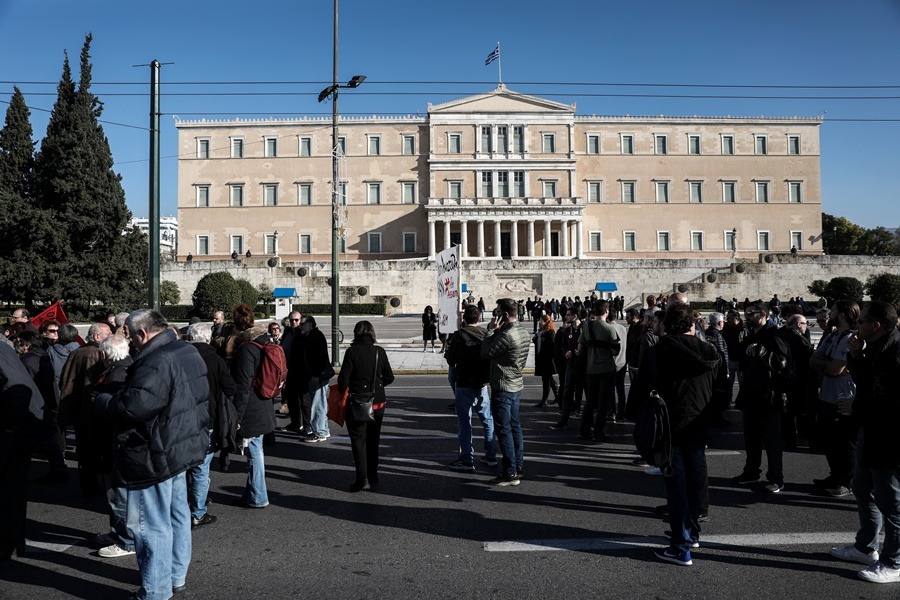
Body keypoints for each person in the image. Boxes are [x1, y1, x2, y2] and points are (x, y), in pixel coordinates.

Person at [93, 309, 210, 599]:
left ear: (143, 333)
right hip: (179, 445)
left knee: (150, 525)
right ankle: (174, 576)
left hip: (155, 451)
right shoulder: (185, 349)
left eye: (129, 335)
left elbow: (134, 407)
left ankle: (156, 591)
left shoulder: (156, 360)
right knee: (177, 514)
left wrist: (104, 400)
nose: (128, 340)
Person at [831, 301, 900, 584]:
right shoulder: (876, 346)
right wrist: (856, 355)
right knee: (863, 488)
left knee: (891, 502)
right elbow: (867, 383)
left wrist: (856, 407)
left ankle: (894, 563)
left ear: (877, 325)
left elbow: (892, 402)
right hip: (871, 431)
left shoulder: (895, 352)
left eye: (861, 322)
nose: (856, 326)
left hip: (890, 437)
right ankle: (865, 547)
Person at [650, 303, 721, 567]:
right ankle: (691, 534)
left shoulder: (659, 350)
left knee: (676, 484)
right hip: (699, 422)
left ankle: (681, 546)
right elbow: (721, 390)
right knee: (694, 478)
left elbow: (645, 389)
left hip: (672, 425)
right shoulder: (710, 350)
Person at [732, 301, 792, 493]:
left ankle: (776, 478)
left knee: (771, 439)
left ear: (763, 314)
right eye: (746, 313)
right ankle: (751, 472)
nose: (747, 316)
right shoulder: (751, 334)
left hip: (769, 395)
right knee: (751, 437)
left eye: (751, 313)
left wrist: (762, 351)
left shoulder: (774, 334)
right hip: (751, 393)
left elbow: (783, 363)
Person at [185, 322, 236, 529]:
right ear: (208, 339)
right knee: (201, 467)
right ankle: (197, 512)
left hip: (183, 419)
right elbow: (230, 387)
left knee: (183, 467)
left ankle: (182, 508)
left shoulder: (180, 359)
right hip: (208, 418)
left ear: (189, 338)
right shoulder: (215, 360)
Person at [92, 334, 136, 558]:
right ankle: (117, 532)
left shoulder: (118, 373)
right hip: (111, 439)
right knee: (115, 492)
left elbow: (113, 409)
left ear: (107, 353)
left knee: (118, 493)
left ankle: (126, 540)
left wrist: (96, 399)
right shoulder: (120, 368)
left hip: (114, 440)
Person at [809, 301, 859, 497]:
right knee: (829, 441)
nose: (830, 314)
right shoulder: (832, 336)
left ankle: (847, 481)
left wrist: (827, 365)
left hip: (843, 398)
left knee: (845, 443)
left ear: (843, 315)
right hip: (827, 396)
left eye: (834, 311)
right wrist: (829, 365)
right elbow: (813, 361)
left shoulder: (850, 338)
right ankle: (836, 475)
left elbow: (834, 369)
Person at [0, 341, 44, 560]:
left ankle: (7, 544)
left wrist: (8, 425)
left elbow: (19, 392)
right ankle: (11, 543)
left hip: (13, 433)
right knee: (11, 492)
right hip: (16, 429)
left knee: (9, 492)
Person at [338, 321, 395, 492]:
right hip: (378, 402)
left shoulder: (352, 352)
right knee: (373, 439)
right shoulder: (379, 351)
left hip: (358, 402)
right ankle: (373, 474)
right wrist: (376, 387)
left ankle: (362, 478)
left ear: (356, 333)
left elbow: (343, 381)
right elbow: (389, 377)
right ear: (372, 333)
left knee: (358, 441)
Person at [481, 298, 531, 486]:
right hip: (516, 383)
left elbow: (486, 352)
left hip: (503, 385)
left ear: (505, 314)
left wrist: (490, 330)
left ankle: (510, 472)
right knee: (514, 425)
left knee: (503, 429)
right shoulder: (523, 331)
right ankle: (518, 465)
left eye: (498, 311)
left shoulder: (506, 335)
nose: (495, 314)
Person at [58, 321, 112, 495]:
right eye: (108, 334)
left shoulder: (77, 352)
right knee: (92, 451)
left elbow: (63, 381)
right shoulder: (95, 354)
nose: (111, 336)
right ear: (97, 336)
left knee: (85, 450)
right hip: (89, 410)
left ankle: (88, 485)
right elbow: (93, 385)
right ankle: (92, 487)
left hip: (78, 409)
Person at [230, 317, 277, 508]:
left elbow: (243, 386)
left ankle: (258, 496)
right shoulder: (266, 346)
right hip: (264, 403)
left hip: (252, 408)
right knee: (257, 449)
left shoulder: (247, 349)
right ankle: (253, 492)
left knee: (254, 452)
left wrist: (237, 415)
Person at [445, 304, 496, 472]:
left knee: (465, 423)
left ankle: (467, 459)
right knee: (487, 420)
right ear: (478, 318)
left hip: (464, 383)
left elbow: (451, 360)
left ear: (464, 317)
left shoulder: (459, 335)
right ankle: (491, 455)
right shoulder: (485, 334)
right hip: (481, 383)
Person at [578, 300, 620, 443]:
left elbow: (580, 348)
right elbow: (615, 351)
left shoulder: (587, 327)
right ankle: (599, 431)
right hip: (607, 368)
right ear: (606, 311)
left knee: (590, 400)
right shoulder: (610, 329)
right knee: (604, 402)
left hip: (591, 368)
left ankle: (584, 429)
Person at [299, 316, 334, 443]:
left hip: (317, 376)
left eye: (302, 323)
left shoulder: (315, 336)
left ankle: (319, 432)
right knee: (320, 403)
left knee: (318, 404)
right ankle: (323, 429)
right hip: (317, 375)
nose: (300, 326)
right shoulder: (312, 336)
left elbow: (320, 358)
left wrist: (316, 375)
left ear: (310, 324)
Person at [532, 314, 559, 408]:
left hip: (547, 360)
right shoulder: (540, 332)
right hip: (541, 359)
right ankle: (557, 396)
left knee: (546, 380)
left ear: (546, 322)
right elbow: (536, 341)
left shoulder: (550, 332)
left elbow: (552, 346)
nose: (539, 322)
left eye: (541, 321)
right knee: (549, 379)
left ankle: (544, 400)